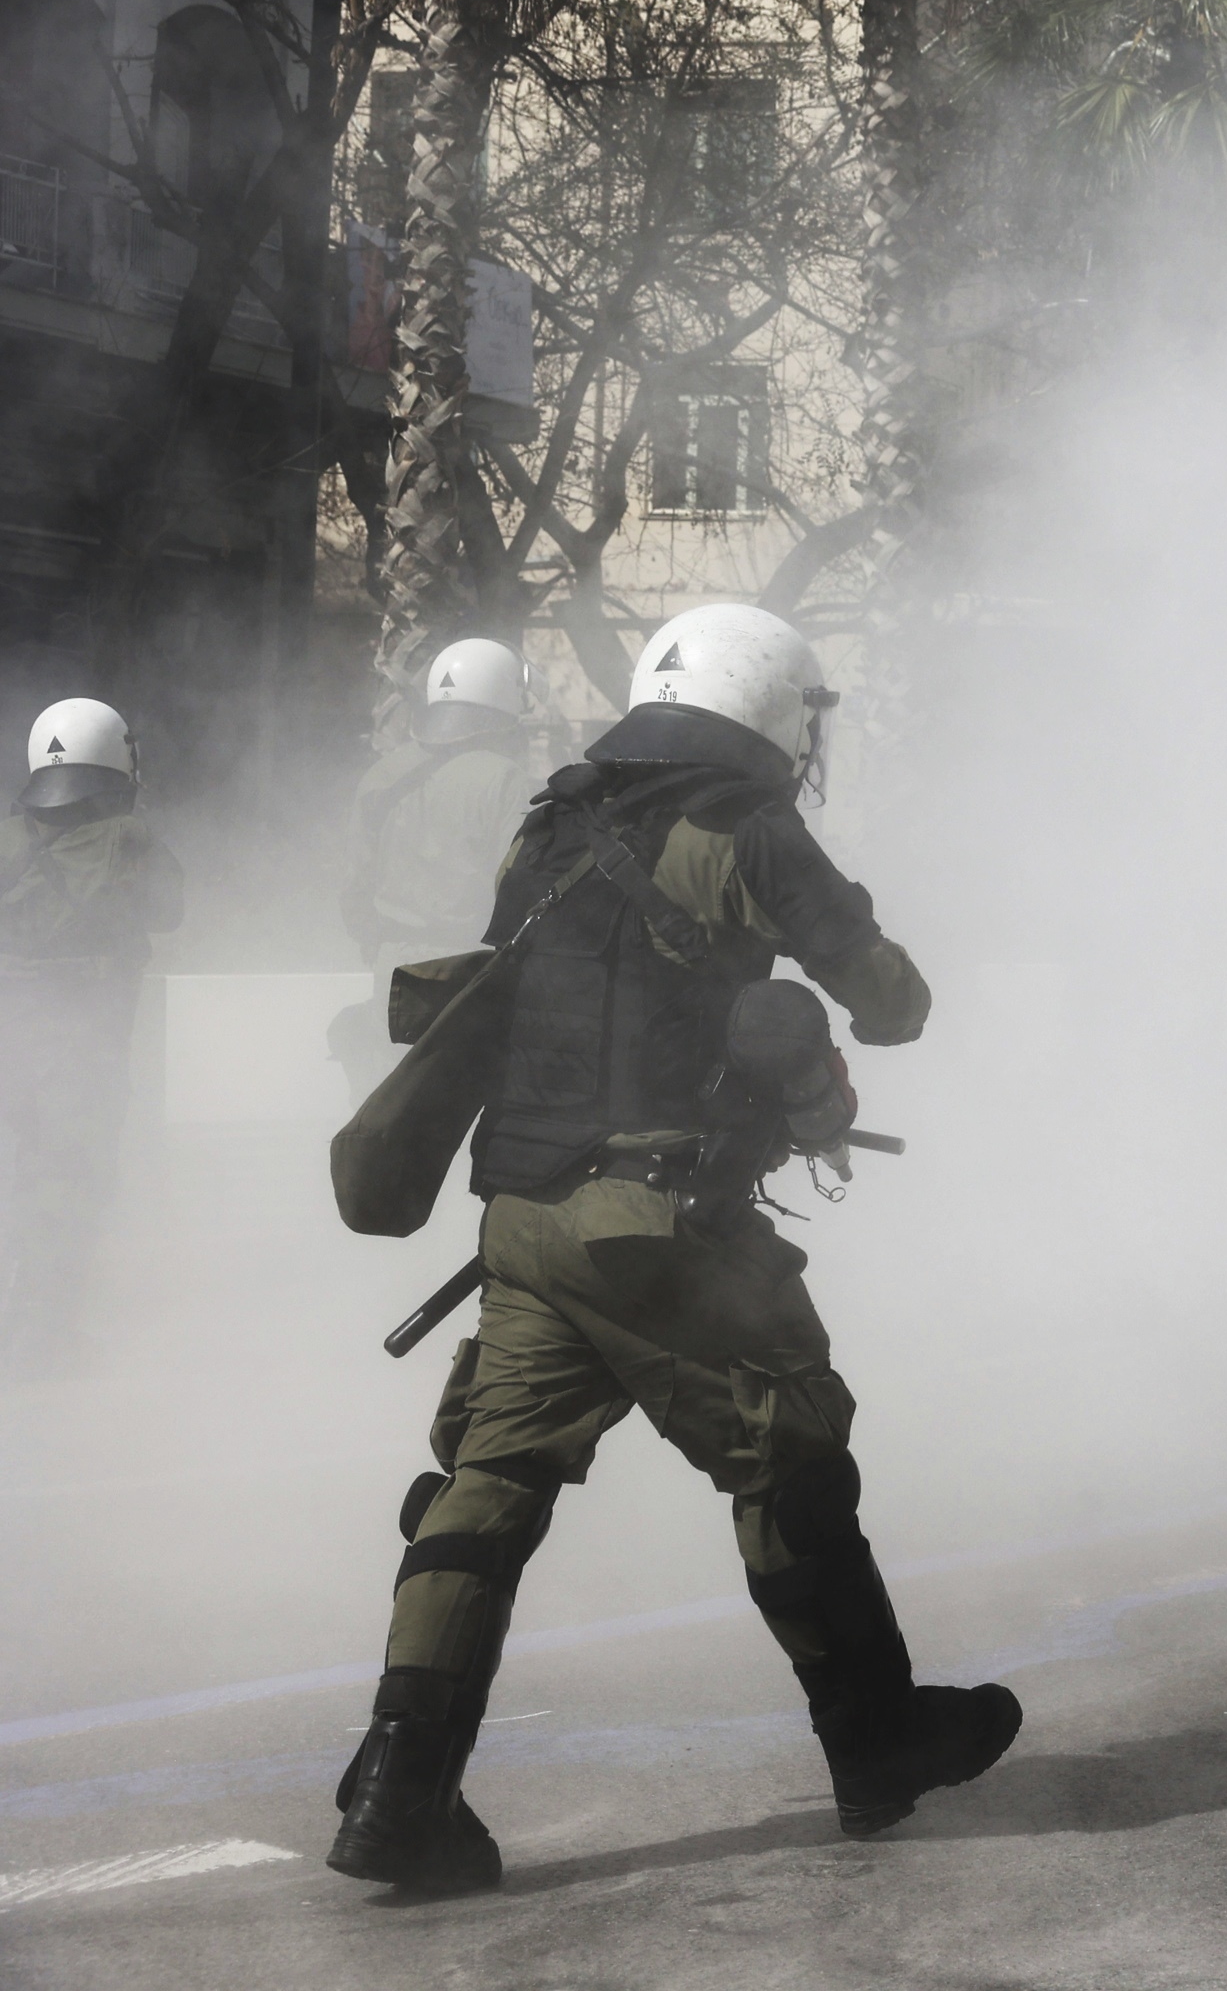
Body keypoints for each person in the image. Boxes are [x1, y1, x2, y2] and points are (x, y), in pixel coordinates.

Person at [327, 604, 1018, 1894]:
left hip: (522, 1218)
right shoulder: (743, 826)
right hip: (652, 1226)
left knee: (489, 1483)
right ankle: (877, 1740)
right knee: (791, 1447)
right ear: (773, 707)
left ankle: (397, 1791)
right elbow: (894, 1001)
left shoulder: (550, 821)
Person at [0, 698, 184, 1374]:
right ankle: (40, 1340)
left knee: (22, 1176)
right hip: (82, 1051)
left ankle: (27, 1325)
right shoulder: (129, 837)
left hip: (12, 1039)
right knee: (70, 1183)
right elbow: (169, 910)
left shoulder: (8, 835)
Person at [333, 638, 537, 1103]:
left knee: (389, 1106)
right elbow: (520, 884)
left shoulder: (385, 773)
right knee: (463, 1109)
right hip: (469, 970)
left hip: (392, 967)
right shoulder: (506, 779)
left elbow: (354, 885)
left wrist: (379, 944)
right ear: (504, 700)